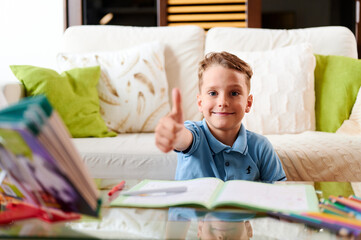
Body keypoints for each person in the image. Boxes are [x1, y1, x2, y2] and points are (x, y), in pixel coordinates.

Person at [155, 51, 286, 182]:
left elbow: (279, 191)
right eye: (213, 93)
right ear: (200, 103)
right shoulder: (194, 133)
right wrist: (176, 135)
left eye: (234, 93)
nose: (223, 102)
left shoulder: (261, 146)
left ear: (248, 103)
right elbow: (184, 139)